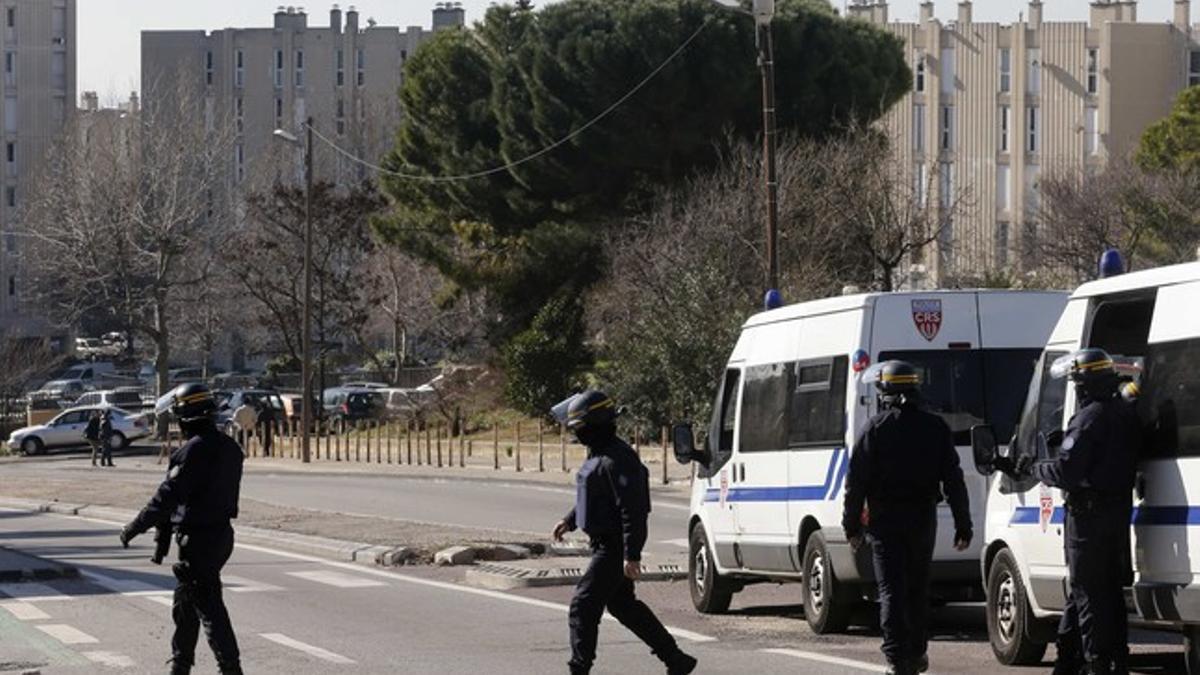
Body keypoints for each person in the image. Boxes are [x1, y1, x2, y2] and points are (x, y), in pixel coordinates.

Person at [995, 348, 1141, 675]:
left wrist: (1034, 467)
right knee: (1105, 592)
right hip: (1115, 515)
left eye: (1077, 383)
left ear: (1084, 386)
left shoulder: (1089, 418)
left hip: (1087, 519)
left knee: (1089, 594)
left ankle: (1096, 662)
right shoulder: (1123, 412)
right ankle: (1089, 660)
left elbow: (1067, 472)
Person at [550, 390, 697, 675]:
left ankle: (578, 669)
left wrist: (632, 554)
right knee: (623, 606)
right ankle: (676, 659)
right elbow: (595, 495)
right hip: (603, 543)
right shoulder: (599, 452)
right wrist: (570, 520)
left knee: (583, 607)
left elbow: (633, 510)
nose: (578, 434)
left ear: (596, 423)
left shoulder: (620, 458)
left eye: (580, 427)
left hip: (613, 546)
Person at [842, 361, 972, 675]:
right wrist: (963, 523)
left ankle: (897, 659)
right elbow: (953, 479)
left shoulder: (875, 428)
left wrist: (851, 526)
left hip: (885, 522)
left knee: (891, 590)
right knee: (916, 588)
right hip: (922, 519)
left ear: (884, 391)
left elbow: (856, 483)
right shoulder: (936, 427)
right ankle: (916, 653)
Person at [119, 383, 245, 675]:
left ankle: (231, 668)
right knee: (185, 603)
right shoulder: (230, 448)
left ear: (185, 417)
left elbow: (167, 498)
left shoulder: (191, 452)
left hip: (198, 538)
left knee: (209, 607)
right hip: (221, 535)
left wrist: (134, 527)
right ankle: (180, 664)